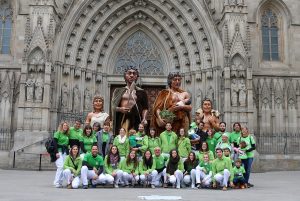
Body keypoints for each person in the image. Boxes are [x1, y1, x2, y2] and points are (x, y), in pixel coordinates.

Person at [111, 66, 149, 135]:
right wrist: (120, 109)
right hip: (123, 118)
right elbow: (113, 106)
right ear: (125, 76)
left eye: (134, 74)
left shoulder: (142, 92)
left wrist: (144, 118)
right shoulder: (118, 91)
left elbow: (145, 108)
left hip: (137, 119)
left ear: (137, 76)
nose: (131, 75)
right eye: (129, 73)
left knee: (136, 139)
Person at [53, 122, 70, 188]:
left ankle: (60, 182)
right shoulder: (58, 133)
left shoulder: (67, 135)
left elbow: (67, 144)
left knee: (64, 167)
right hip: (59, 151)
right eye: (64, 125)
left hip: (65, 152)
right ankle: (56, 182)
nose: (65, 126)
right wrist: (56, 152)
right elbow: (54, 143)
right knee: (60, 166)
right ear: (61, 126)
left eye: (66, 125)